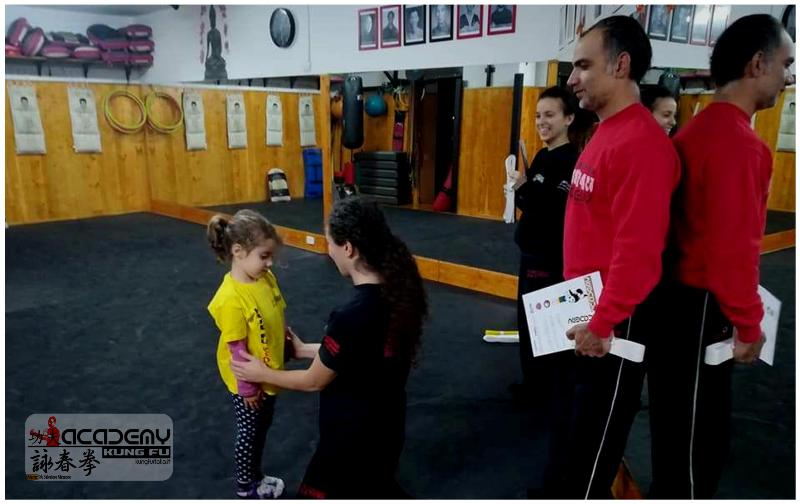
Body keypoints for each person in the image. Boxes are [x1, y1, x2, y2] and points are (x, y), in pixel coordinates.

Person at [651, 14, 794, 498]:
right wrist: (750, 326)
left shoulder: (693, 132)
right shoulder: (740, 145)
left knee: (677, 433)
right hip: (700, 309)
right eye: (786, 64)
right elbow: (733, 252)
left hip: (675, 306)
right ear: (758, 64)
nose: (789, 77)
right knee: (698, 443)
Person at [546, 16, 681, 498]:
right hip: (589, 311)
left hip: (615, 323)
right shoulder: (605, 130)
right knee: (575, 435)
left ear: (621, 65)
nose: (572, 78)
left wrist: (603, 324)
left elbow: (639, 254)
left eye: (583, 65)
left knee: (593, 450)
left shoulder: (643, 144)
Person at [231, 198, 428, 499]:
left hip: (350, 439)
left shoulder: (352, 315)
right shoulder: (399, 293)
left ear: (348, 248)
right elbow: (362, 353)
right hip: (387, 428)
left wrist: (262, 372)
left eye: (330, 243)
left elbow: (313, 381)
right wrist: (303, 350)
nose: (329, 250)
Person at [206, 209, 289, 499]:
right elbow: (237, 349)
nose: (270, 263)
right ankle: (245, 487)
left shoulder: (265, 279)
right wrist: (248, 389)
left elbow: (275, 311)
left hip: (267, 371)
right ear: (238, 252)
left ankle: (256, 475)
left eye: (271, 256)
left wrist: (286, 341)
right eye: (264, 256)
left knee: (261, 428)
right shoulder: (230, 298)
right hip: (248, 383)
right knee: (249, 432)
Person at [510, 85, 580, 397]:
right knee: (527, 321)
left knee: (544, 322)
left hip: (548, 255)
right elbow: (532, 199)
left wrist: (525, 190)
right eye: (539, 115)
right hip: (530, 251)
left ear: (568, 118)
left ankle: (544, 388)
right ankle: (534, 382)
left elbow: (550, 207)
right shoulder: (541, 154)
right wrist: (526, 191)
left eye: (549, 115)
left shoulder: (570, 160)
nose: (542, 121)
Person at [205, 5, 228, 80]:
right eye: (211, 19)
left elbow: (220, 47)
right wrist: (206, 58)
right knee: (209, 64)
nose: (212, 21)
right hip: (212, 57)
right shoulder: (209, 33)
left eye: (213, 19)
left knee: (221, 63)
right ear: (210, 20)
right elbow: (208, 49)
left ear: (215, 19)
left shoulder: (218, 32)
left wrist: (218, 56)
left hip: (217, 56)